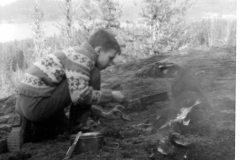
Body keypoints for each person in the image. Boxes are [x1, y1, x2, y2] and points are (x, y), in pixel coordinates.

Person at [7, 29, 126, 152]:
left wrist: (103, 114)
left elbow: (79, 94)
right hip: (36, 105)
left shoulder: (75, 53)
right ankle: (79, 127)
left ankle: (28, 128)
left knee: (59, 129)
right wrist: (111, 95)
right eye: (110, 58)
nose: (111, 63)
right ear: (99, 50)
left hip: (24, 103)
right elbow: (79, 96)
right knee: (94, 74)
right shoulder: (83, 58)